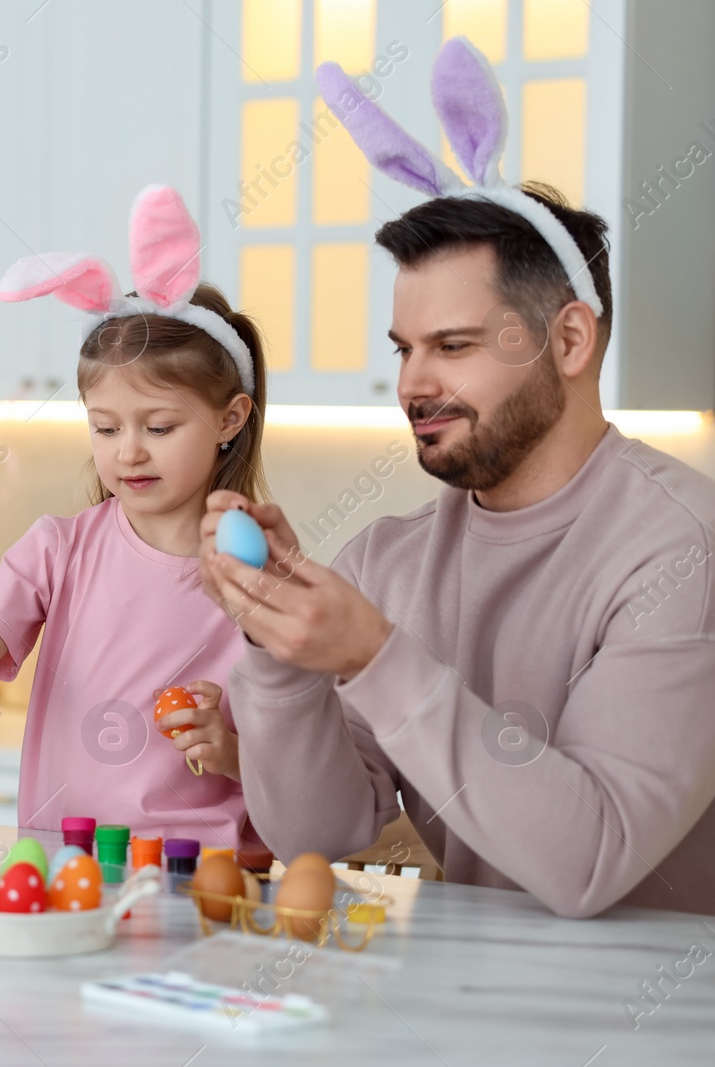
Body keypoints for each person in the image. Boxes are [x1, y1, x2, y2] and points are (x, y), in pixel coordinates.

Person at [202, 38, 715, 917]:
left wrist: (371, 654)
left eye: (454, 346)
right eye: (405, 349)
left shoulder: (680, 547)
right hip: (464, 1013)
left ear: (569, 341)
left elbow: (589, 860)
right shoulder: (390, 560)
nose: (412, 384)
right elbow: (325, 838)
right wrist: (280, 653)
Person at [0, 186, 267, 845]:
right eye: (104, 427)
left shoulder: (262, 574)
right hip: (66, 869)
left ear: (229, 419)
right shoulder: (57, 550)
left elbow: (317, 770)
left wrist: (235, 752)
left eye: (158, 425)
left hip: (205, 875)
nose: (128, 450)